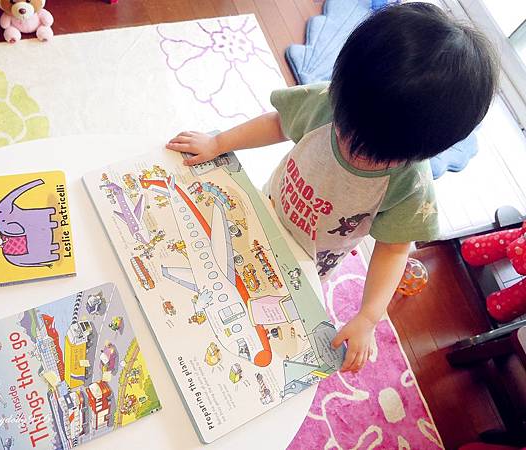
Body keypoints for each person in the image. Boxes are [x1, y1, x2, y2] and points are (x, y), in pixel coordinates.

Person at [166, 2, 498, 372]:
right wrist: (219, 142)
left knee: (267, 308)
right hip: (271, 204)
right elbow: (279, 123)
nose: (350, 146)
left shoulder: (411, 186)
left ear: (422, 151)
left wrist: (368, 317)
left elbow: (392, 250)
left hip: (313, 258)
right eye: (346, 128)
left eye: (371, 151)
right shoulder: (328, 101)